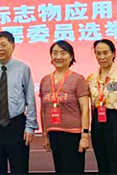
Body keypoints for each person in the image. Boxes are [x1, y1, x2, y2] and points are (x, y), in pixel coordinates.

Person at [0, 31, 38, 175]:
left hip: (17, 125)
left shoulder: (23, 68)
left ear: (13, 46)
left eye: (3, 45)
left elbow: (30, 99)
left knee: (20, 169)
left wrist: (30, 127)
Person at [39, 41, 90, 175]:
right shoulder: (45, 80)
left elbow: (85, 109)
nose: (58, 57)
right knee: (60, 170)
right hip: (53, 133)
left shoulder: (78, 79)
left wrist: (85, 135)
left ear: (71, 56)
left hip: (73, 135)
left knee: (73, 171)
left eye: (63, 53)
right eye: (55, 53)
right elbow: (43, 110)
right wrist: (45, 135)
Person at [86, 39, 117, 175]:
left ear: (113, 53)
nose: (102, 57)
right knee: (102, 162)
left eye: (105, 53)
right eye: (98, 53)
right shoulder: (91, 79)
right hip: (97, 123)